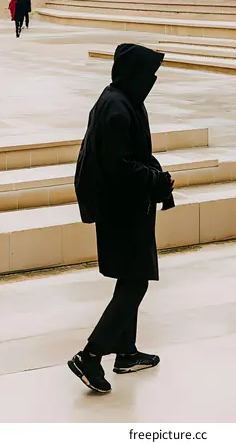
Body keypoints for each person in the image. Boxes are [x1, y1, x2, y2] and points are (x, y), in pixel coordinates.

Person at [69, 44, 175, 394]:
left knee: (131, 276)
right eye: (149, 74)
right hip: (122, 209)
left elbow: (130, 155)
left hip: (125, 207)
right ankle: (91, 353)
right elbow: (119, 166)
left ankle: (126, 353)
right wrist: (155, 180)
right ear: (134, 74)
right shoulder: (118, 106)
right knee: (135, 281)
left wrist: (153, 174)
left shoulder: (120, 99)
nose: (152, 81)